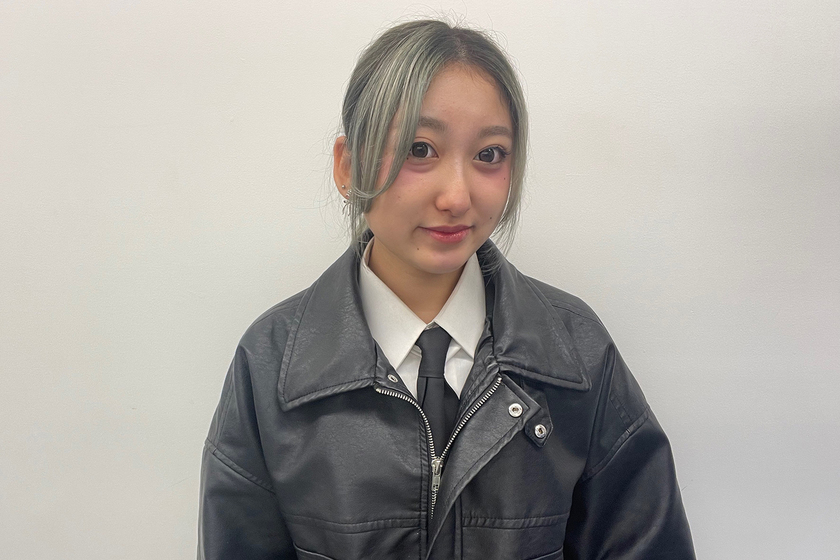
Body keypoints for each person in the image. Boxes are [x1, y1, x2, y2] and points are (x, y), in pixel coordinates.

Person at [198, 19, 695, 560]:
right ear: (347, 165)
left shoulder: (577, 353)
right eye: (420, 148)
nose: (457, 196)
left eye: (489, 155)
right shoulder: (271, 364)